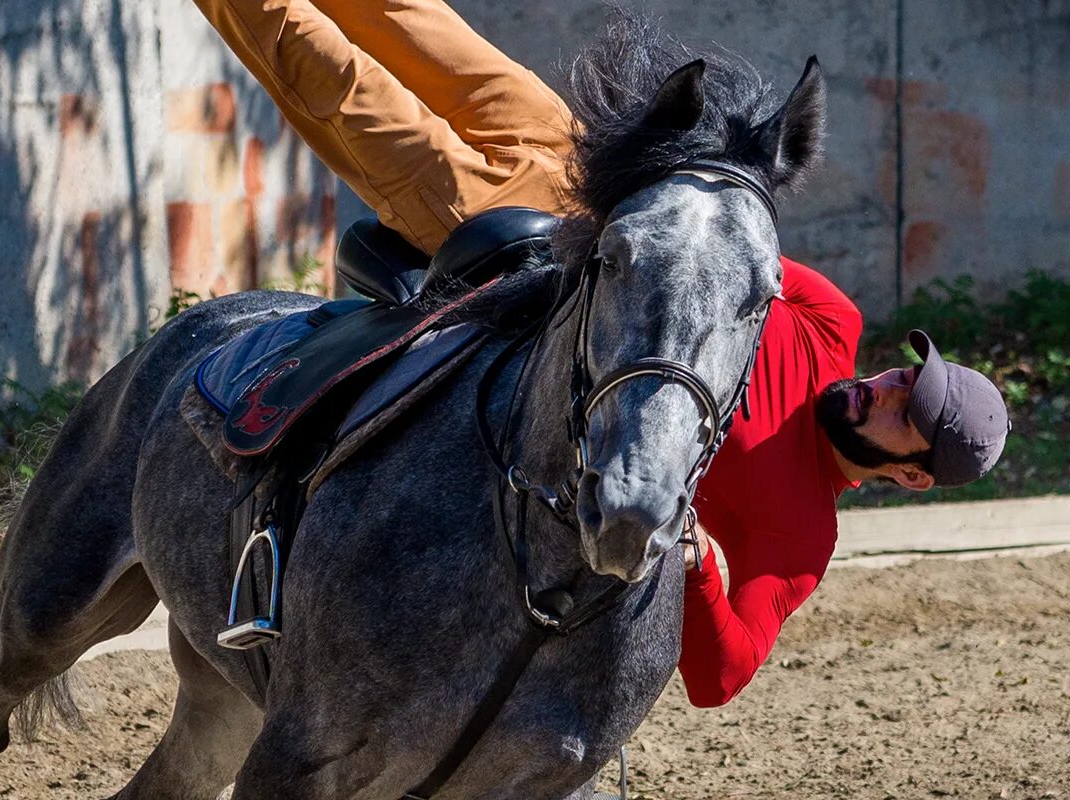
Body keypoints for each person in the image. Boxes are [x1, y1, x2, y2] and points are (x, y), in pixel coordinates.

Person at [191, 0, 1010, 707]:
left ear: (910, 476)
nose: (891, 387)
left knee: (321, 66)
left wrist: (696, 565)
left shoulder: (801, 538)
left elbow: (720, 679)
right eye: (910, 374)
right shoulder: (830, 319)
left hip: (526, 242)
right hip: (583, 157)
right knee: (406, 18)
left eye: (913, 413)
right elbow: (706, 233)